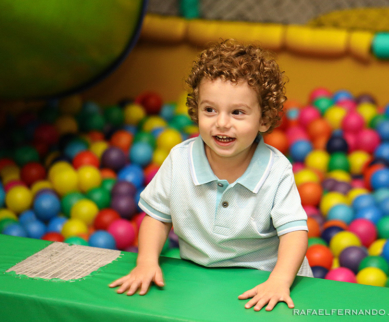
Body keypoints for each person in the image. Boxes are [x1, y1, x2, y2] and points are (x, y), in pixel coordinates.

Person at [109, 39, 313, 312]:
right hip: (200, 280)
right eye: (210, 110)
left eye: (237, 112)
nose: (221, 122)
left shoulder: (276, 170)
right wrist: (146, 261)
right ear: (196, 110)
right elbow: (157, 217)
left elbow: (294, 232)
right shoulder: (180, 160)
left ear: (264, 119)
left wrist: (279, 280)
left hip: (265, 278)